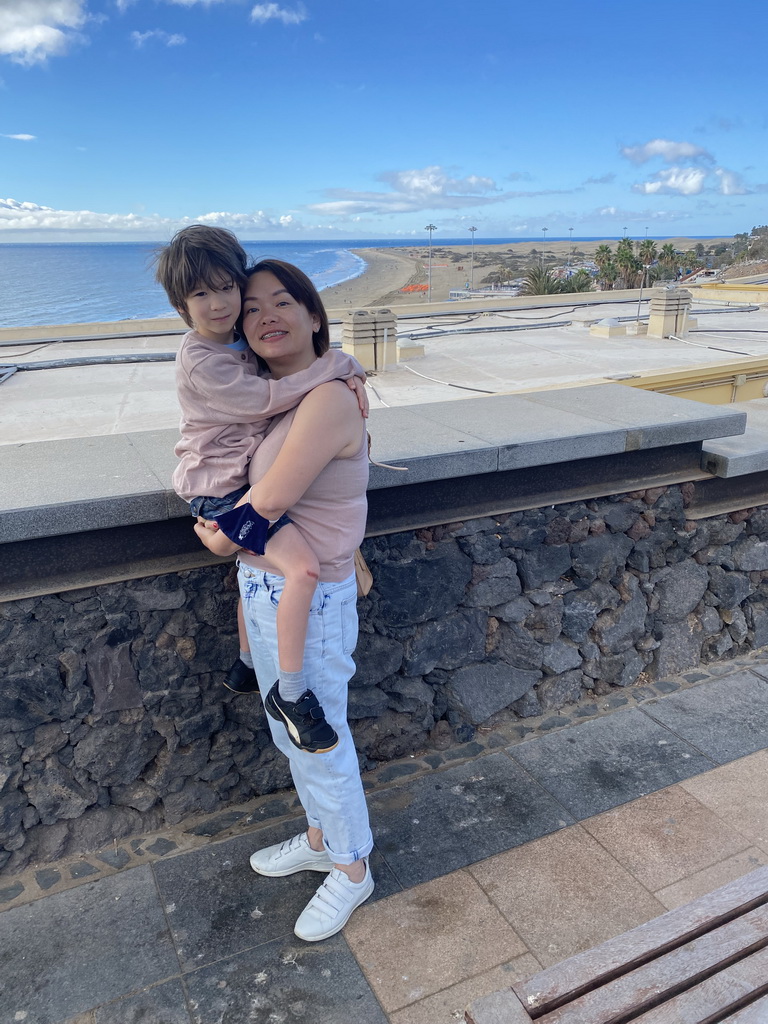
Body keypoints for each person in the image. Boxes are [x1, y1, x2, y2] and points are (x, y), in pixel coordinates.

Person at [195, 258, 374, 942]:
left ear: (314, 316)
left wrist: (217, 543)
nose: (266, 315)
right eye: (252, 308)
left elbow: (266, 503)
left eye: (283, 302)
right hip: (269, 587)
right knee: (288, 732)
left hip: (313, 600)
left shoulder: (329, 397)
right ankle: (322, 838)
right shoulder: (282, 396)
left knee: (320, 739)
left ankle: (354, 871)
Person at [155, 227, 366, 731]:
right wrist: (338, 365)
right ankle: (289, 694)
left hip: (232, 494)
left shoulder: (234, 345)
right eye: (200, 294)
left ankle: (255, 670)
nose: (220, 304)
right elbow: (265, 400)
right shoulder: (202, 358)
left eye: (228, 289)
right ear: (182, 307)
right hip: (218, 492)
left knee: (256, 570)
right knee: (300, 569)